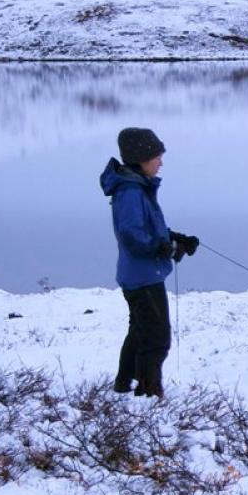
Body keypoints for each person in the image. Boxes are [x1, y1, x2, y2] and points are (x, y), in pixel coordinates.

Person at [99, 127, 199, 398]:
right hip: (142, 277)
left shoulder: (137, 188)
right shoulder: (131, 191)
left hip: (140, 274)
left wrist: (176, 239)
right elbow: (131, 234)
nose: (161, 162)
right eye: (157, 157)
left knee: (140, 332)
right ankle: (148, 394)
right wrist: (161, 247)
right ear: (141, 158)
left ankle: (122, 386)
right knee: (156, 340)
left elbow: (149, 228)